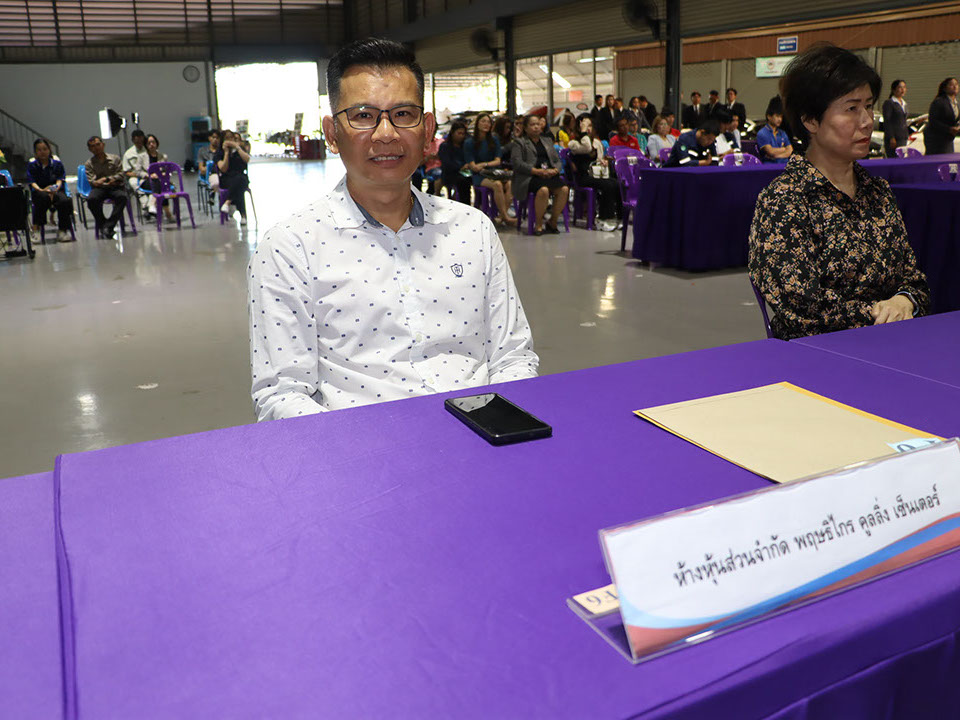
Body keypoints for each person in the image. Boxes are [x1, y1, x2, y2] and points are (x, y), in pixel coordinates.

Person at [247, 37, 538, 420]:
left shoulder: (473, 229)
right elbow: (282, 393)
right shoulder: (291, 247)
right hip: (362, 443)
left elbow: (513, 357)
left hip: (478, 433)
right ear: (332, 133)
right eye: (363, 116)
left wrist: (499, 429)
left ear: (427, 130)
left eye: (403, 114)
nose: (386, 133)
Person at [749, 44, 930, 341]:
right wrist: (880, 312)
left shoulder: (878, 193)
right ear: (810, 120)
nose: (867, 121)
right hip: (816, 354)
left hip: (892, 344)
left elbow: (914, 281)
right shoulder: (784, 201)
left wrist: (905, 300)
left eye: (868, 106)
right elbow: (801, 309)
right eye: (851, 108)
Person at [510, 114, 569, 235]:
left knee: (564, 189)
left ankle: (552, 221)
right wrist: (536, 171)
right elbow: (517, 163)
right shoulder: (520, 142)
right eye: (532, 125)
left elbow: (557, 160)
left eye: (538, 124)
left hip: (549, 174)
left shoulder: (547, 141)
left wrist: (555, 170)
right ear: (526, 128)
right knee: (543, 190)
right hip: (529, 177)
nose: (536, 127)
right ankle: (538, 223)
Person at [567, 115, 620, 232]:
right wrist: (583, 132)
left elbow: (598, 159)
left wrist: (603, 162)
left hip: (596, 175)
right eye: (585, 125)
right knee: (608, 185)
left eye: (590, 125)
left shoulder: (596, 142)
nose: (588, 128)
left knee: (616, 183)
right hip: (583, 177)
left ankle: (618, 217)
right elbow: (587, 148)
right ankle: (603, 219)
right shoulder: (574, 143)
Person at [464, 112, 512, 226]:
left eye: (488, 122)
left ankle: (501, 216)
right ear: (477, 124)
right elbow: (474, 167)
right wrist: (482, 166)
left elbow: (498, 161)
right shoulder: (469, 142)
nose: (486, 124)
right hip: (479, 175)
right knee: (497, 185)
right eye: (483, 121)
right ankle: (505, 217)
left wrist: (484, 164)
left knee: (510, 184)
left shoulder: (494, 140)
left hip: (494, 172)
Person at [26, 138, 72, 242]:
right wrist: (42, 190)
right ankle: (37, 228)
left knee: (64, 201)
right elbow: (32, 182)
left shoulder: (57, 163)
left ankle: (62, 230)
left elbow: (60, 180)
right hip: (39, 191)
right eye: (39, 150)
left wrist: (53, 189)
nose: (42, 152)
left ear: (49, 150)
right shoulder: (32, 165)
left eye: (45, 149)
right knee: (42, 198)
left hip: (55, 190)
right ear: (35, 152)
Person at [83, 135, 127, 237]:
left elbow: (121, 174)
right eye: (93, 146)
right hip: (99, 189)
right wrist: (104, 181)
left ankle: (108, 226)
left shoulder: (115, 158)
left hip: (115, 186)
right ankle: (105, 225)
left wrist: (106, 179)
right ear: (90, 149)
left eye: (98, 144)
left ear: (103, 145)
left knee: (122, 197)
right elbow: (93, 182)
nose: (96, 148)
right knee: (91, 199)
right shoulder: (89, 164)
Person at [216, 129, 251, 225]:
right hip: (227, 178)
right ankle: (243, 216)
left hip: (241, 176)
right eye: (227, 138)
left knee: (240, 180)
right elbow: (223, 168)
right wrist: (226, 153)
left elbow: (247, 159)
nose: (229, 140)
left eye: (231, 138)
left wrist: (237, 147)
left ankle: (228, 202)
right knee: (239, 185)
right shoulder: (219, 153)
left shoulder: (239, 150)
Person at [923, 77, 959, 156]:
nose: (955, 86)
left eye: (956, 84)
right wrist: (949, 129)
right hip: (936, 139)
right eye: (951, 85)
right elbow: (933, 120)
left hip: (948, 138)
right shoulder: (939, 102)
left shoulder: (956, 104)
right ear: (945, 88)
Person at [438, 120, 472, 204]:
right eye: (459, 133)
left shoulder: (465, 145)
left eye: (463, 134)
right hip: (450, 173)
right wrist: (460, 167)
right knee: (462, 181)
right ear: (453, 133)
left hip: (465, 172)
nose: (461, 136)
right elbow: (446, 163)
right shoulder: (445, 146)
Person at [145, 134, 176, 223]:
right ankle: (167, 213)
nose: (151, 144)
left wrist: (162, 174)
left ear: (157, 143)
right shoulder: (142, 157)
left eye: (153, 142)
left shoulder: (163, 156)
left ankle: (152, 204)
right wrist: (149, 175)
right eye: (149, 143)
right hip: (147, 180)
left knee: (161, 183)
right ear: (146, 145)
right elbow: (138, 171)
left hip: (161, 180)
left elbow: (167, 170)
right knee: (161, 184)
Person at [122, 129, 150, 213]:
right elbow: (126, 172)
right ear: (133, 140)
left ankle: (153, 205)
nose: (140, 143)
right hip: (135, 176)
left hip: (149, 175)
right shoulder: (128, 154)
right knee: (134, 183)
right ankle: (145, 204)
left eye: (141, 140)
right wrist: (138, 175)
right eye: (137, 141)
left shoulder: (148, 150)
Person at [881, 80, 909, 159]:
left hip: (903, 136)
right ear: (893, 89)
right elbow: (887, 121)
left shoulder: (904, 103)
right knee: (894, 158)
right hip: (894, 138)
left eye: (904, 87)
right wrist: (891, 137)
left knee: (902, 159)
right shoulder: (890, 103)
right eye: (900, 87)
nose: (902, 90)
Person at [197, 129, 221, 193]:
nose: (215, 139)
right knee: (216, 182)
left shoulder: (221, 151)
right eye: (213, 137)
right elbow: (201, 169)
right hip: (209, 175)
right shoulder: (202, 151)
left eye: (217, 138)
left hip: (220, 174)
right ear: (209, 138)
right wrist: (210, 168)